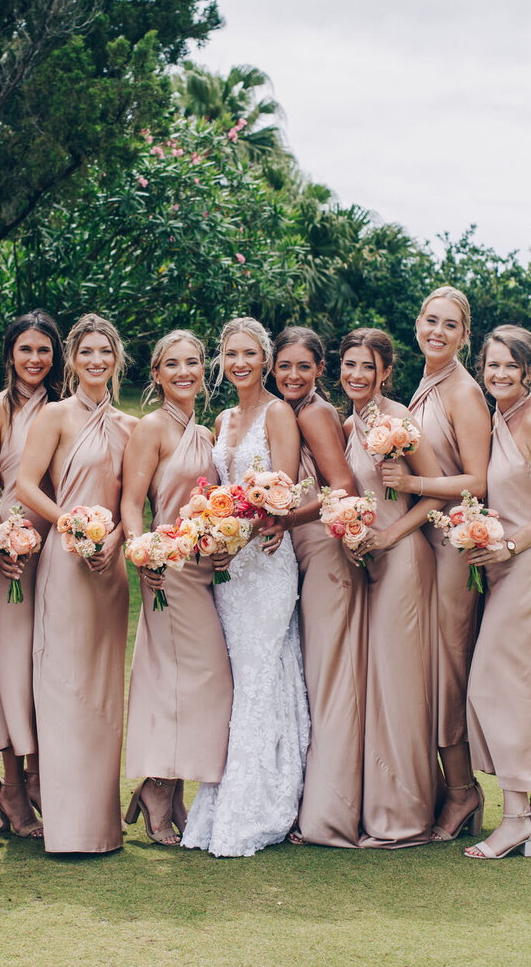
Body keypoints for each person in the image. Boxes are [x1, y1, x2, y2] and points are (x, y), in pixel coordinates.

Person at [181, 317, 309, 858]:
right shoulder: (223, 417)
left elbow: (284, 493)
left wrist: (248, 533)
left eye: (250, 354)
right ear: (221, 360)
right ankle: (230, 798)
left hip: (267, 563)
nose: (239, 363)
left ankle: (255, 808)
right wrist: (214, 534)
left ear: (264, 358)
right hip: (228, 570)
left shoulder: (278, 413)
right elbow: (220, 492)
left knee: (261, 674)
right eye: (230, 354)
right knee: (242, 680)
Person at [17, 314, 136, 853]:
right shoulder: (55, 416)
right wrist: (69, 524)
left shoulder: (133, 426)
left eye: (105, 353)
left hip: (110, 568)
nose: (96, 361)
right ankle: (66, 827)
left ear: (117, 360)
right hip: (64, 566)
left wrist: (117, 541)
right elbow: (24, 485)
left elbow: (136, 504)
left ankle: (101, 825)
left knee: (103, 694)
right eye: (86, 352)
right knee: (64, 688)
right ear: (73, 359)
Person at [380, 287, 491, 841]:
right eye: (430, 321)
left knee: (447, 669)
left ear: (464, 336)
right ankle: (449, 787)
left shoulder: (465, 392)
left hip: (455, 551)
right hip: (428, 544)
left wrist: (414, 483)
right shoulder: (427, 383)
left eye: (450, 326)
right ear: (416, 322)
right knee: (431, 667)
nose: (437, 332)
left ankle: (463, 792)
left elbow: (477, 480)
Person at [464, 326, 531, 859]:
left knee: (496, 685)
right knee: (528, 685)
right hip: (505, 568)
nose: (499, 374)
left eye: (510, 366)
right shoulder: (498, 417)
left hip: (527, 568)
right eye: (492, 366)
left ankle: (516, 819)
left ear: (529, 370)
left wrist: (511, 544)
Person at [121, 331, 232, 845]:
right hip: (167, 571)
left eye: (192, 362)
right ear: (157, 374)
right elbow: (131, 501)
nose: (183, 372)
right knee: (182, 676)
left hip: (204, 569)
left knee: (198, 679)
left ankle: (169, 787)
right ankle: (159, 788)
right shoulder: (151, 428)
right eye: (172, 364)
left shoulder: (207, 433)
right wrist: (144, 552)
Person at [340, 327, 442, 847]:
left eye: (367, 367)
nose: (356, 375)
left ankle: (404, 818)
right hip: (369, 561)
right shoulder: (347, 423)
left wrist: (388, 536)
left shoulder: (399, 419)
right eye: (349, 364)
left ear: (385, 372)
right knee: (375, 682)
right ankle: (376, 805)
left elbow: (433, 496)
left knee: (398, 686)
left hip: (403, 558)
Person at [270, 326, 366, 848]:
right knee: (314, 678)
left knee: (329, 680)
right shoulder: (287, 414)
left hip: (326, 553)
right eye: (284, 365)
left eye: (303, 367)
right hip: (300, 556)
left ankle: (329, 815)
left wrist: (285, 520)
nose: (292, 375)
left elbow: (343, 487)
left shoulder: (314, 412)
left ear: (318, 371)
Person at [0, 310, 64, 839]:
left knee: (45, 665)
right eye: (26, 349)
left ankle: (39, 776)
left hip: (59, 550)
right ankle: (11, 783)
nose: (34, 359)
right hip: (7, 554)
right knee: (10, 666)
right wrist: (0, 542)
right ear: (10, 353)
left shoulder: (65, 410)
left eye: (44, 350)